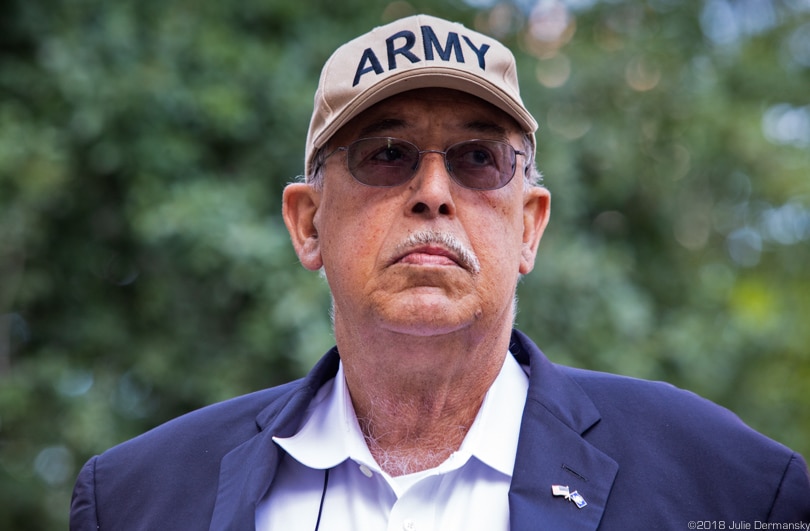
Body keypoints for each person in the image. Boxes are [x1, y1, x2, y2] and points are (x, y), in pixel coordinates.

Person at [69, 14, 810, 531]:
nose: (433, 190)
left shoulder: (732, 484)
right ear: (307, 222)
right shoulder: (137, 498)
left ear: (529, 225)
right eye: (386, 153)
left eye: (477, 158)